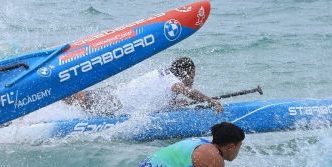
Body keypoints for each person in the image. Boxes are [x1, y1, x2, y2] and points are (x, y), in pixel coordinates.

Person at [64, 57, 224, 116]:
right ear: (184, 74)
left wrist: (173, 104)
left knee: (75, 98)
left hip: (115, 93)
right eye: (192, 76)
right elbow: (187, 91)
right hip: (115, 102)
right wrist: (210, 101)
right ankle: (56, 92)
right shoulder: (173, 82)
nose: (192, 80)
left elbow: (153, 96)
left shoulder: (165, 74)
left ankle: (58, 95)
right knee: (74, 98)